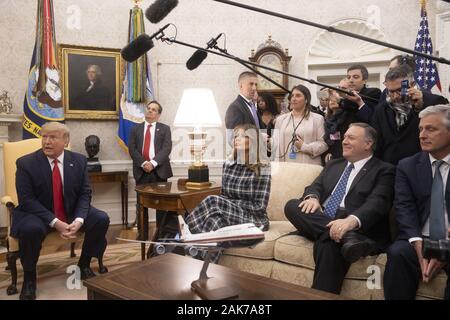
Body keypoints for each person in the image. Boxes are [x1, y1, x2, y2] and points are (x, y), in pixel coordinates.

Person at [284, 123, 395, 294]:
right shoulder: (334, 165)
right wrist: (313, 198)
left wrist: (350, 222)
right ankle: (348, 237)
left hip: (352, 220)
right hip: (323, 216)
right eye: (344, 137)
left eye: (351, 138)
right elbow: (315, 187)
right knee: (292, 205)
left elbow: (377, 203)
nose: (344, 141)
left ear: (368, 144)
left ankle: (341, 234)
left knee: (328, 243)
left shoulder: (384, 170)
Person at [10, 122, 110, 300]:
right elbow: (27, 200)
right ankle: (29, 278)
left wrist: (78, 220)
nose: (47, 142)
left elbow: (85, 193)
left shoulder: (78, 160)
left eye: (53, 137)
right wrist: (56, 222)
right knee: (30, 229)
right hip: (36, 213)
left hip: (69, 211)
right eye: (44, 137)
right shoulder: (26, 163)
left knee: (100, 218)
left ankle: (83, 264)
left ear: (66, 140)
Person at [384, 104, 450, 300]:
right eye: (420, 129)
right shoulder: (407, 165)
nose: (422, 135)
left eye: (431, 129)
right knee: (398, 253)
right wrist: (416, 242)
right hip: (421, 236)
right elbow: (404, 207)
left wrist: (446, 248)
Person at [185, 124, 271, 263]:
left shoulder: (263, 167)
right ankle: (202, 267)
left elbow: (260, 206)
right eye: (236, 136)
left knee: (213, 201)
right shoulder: (229, 164)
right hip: (229, 213)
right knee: (215, 221)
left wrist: (228, 204)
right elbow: (224, 195)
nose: (237, 139)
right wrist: (226, 204)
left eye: (243, 136)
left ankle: (185, 234)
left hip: (254, 218)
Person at [371, 65, 449, 165]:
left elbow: (439, 134)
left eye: (399, 90)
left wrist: (419, 107)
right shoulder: (381, 109)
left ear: (412, 84)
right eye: (390, 91)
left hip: (422, 166)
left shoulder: (434, 102)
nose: (395, 96)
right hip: (389, 168)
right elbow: (377, 142)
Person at [128, 100, 174, 229]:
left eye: (153, 109)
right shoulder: (135, 129)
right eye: (148, 108)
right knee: (141, 205)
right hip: (141, 171)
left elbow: (166, 149)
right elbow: (132, 149)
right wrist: (144, 163)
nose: (149, 110)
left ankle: (161, 235)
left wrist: (152, 164)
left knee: (162, 205)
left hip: (159, 171)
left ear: (158, 115)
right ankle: (142, 233)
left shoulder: (165, 129)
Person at [273, 84, 328, 165]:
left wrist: (304, 147)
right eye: (292, 96)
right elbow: (275, 143)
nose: (294, 98)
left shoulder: (318, 119)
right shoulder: (281, 119)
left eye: (298, 96)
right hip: (285, 167)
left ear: (306, 100)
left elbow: (323, 144)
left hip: (309, 167)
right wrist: (266, 141)